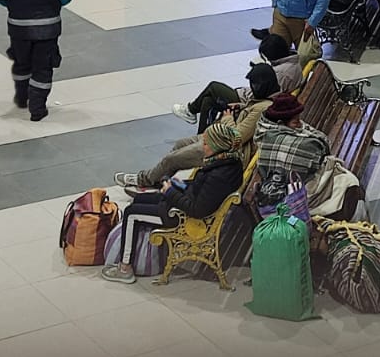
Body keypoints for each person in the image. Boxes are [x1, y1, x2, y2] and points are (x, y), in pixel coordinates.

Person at [102, 120, 245, 284]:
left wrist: (171, 192)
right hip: (184, 204)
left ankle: (124, 268)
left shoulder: (218, 175)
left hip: (186, 219)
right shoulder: (228, 163)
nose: (202, 147)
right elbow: (203, 192)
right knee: (140, 199)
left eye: (205, 143)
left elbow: (197, 210)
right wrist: (179, 186)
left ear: (217, 146)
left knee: (131, 213)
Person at [120, 62, 279, 192]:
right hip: (218, 137)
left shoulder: (262, 108)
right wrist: (241, 108)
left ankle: (144, 179)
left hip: (225, 149)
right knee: (180, 145)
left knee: (172, 159)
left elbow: (236, 137)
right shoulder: (260, 103)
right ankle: (158, 180)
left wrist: (228, 117)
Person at [168, 53, 289, 129]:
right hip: (243, 99)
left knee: (214, 86)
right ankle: (202, 138)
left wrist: (231, 115)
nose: (253, 86)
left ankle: (191, 110)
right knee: (207, 100)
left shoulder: (267, 102)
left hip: (241, 101)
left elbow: (240, 135)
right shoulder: (271, 84)